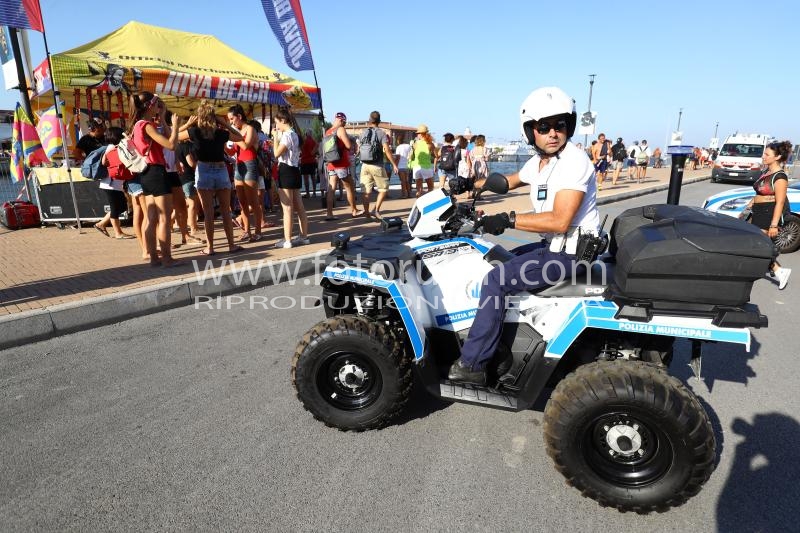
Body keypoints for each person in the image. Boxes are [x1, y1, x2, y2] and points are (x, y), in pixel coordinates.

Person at [447, 86, 599, 385]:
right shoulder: (541, 162)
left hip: (569, 255)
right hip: (553, 248)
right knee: (493, 258)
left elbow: (559, 220)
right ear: (531, 131)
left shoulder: (574, 161)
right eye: (544, 127)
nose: (553, 133)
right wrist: (470, 184)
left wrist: (506, 219)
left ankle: (474, 364)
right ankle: (503, 336)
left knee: (496, 280)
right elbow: (506, 181)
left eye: (560, 125)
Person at [179, 99, 244, 256]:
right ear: (214, 117)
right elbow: (240, 136)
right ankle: (231, 245)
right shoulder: (221, 133)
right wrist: (225, 123)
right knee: (226, 210)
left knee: (208, 212)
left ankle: (210, 247)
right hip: (220, 169)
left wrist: (188, 124)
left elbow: (172, 137)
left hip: (203, 169)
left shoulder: (194, 132)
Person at [129, 92, 181, 267]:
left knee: (151, 217)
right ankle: (166, 258)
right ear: (149, 106)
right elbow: (172, 145)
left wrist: (165, 120)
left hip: (146, 173)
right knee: (164, 218)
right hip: (156, 171)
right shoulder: (147, 125)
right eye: (157, 104)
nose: (159, 107)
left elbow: (166, 140)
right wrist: (175, 126)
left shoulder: (137, 125)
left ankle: (154, 258)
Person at [740, 140, 793, 289]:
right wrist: (747, 209)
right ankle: (776, 269)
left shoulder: (780, 177)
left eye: (767, 154)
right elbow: (758, 193)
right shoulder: (766, 172)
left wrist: (774, 224)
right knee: (751, 240)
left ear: (777, 157)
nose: (763, 156)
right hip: (757, 210)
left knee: (758, 244)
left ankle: (778, 270)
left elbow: (780, 202)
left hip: (768, 213)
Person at [272, 108, 310, 248]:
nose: (276, 126)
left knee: (287, 208)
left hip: (286, 170)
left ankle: (287, 240)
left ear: (283, 120)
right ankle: (304, 236)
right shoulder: (295, 135)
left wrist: (275, 138)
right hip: (295, 170)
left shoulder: (287, 136)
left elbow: (276, 153)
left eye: (277, 123)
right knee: (299, 206)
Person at [227, 105, 263, 242]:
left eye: (232, 119)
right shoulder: (238, 132)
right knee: (241, 203)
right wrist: (224, 144)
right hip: (239, 166)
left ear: (239, 116)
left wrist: (233, 134)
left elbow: (246, 146)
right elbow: (233, 151)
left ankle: (258, 231)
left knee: (253, 201)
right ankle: (247, 231)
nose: (231, 122)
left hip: (249, 165)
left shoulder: (250, 129)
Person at [93, 127, 135, 239]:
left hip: (113, 183)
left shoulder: (111, 146)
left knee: (121, 206)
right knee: (117, 207)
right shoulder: (113, 147)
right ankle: (117, 232)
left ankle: (101, 224)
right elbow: (104, 162)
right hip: (110, 183)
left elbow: (104, 161)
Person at [358, 111, 398, 220]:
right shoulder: (381, 133)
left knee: (365, 191)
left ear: (370, 120)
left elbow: (359, 149)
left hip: (364, 165)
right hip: (377, 165)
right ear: (379, 121)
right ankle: (376, 211)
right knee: (384, 189)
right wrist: (394, 164)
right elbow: (387, 151)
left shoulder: (362, 133)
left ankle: (367, 214)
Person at [324, 112, 361, 220]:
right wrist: (349, 143)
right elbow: (348, 146)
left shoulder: (328, 131)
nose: (345, 124)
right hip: (341, 163)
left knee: (331, 189)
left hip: (331, 163)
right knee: (349, 186)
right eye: (344, 122)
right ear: (342, 120)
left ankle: (329, 214)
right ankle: (354, 210)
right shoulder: (340, 130)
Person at [408, 124, 437, 197]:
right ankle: (429, 204)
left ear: (420, 134)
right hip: (426, 167)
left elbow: (412, 155)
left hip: (416, 167)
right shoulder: (430, 144)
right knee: (430, 188)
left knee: (419, 190)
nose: (417, 135)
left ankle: (419, 204)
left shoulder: (415, 143)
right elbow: (436, 156)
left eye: (418, 133)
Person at [299, 129, 318, 198]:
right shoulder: (313, 141)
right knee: (313, 178)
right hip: (312, 161)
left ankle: (307, 193)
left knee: (306, 179)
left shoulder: (305, 141)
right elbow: (313, 152)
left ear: (306, 134)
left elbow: (310, 152)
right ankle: (314, 193)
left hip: (305, 161)